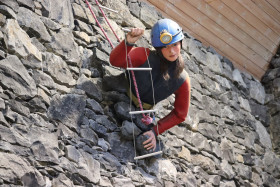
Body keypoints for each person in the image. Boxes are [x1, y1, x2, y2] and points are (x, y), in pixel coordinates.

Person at [109, 18, 191, 153]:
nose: (172, 51)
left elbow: (180, 114)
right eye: (166, 46)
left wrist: (155, 131)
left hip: (144, 113)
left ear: (181, 43)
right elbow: (115, 61)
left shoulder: (182, 80)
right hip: (121, 92)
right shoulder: (144, 55)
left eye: (175, 44)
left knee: (146, 145)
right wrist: (128, 42)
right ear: (158, 48)